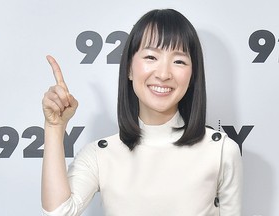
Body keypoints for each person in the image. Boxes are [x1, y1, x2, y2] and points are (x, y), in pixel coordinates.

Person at [41, 8, 242, 216]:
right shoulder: (100, 154)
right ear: (129, 68)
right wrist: (54, 127)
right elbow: (58, 213)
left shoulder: (221, 151)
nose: (163, 74)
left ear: (192, 75)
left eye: (179, 61)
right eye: (151, 57)